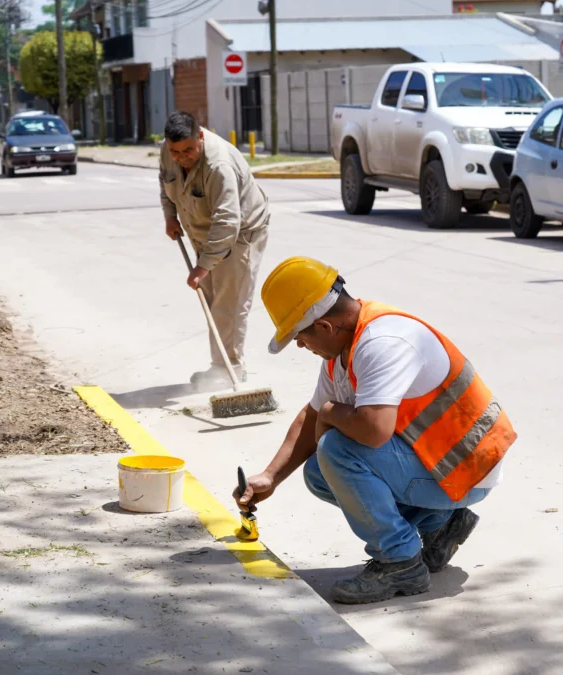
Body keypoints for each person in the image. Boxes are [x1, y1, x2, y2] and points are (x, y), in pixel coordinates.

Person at [232, 256, 517, 604]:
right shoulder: (344, 346)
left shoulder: (383, 341)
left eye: (299, 336)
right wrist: (271, 476)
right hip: (442, 465)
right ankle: (438, 523)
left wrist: (330, 413)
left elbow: (372, 432)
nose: (300, 346)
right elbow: (312, 416)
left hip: (468, 469)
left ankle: (399, 563)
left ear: (324, 326)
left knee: (338, 449)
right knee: (320, 471)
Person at [159, 111, 270, 386]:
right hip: (203, 233)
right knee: (211, 302)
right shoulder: (167, 150)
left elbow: (228, 221)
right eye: (175, 151)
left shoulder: (219, 165)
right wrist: (170, 214)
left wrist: (202, 266)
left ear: (200, 137)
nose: (181, 157)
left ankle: (232, 368)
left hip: (241, 232)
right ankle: (220, 366)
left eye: (188, 150)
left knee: (229, 303)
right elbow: (165, 181)